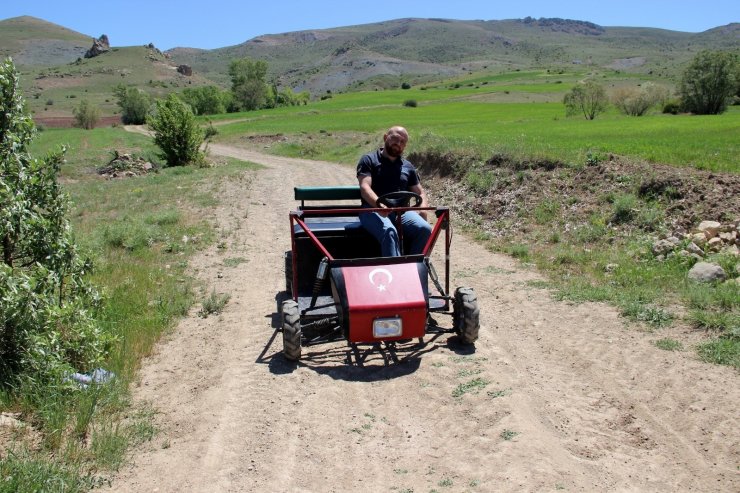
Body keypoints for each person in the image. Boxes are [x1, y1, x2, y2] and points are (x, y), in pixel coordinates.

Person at [357, 126, 432, 256]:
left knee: (424, 229)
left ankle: (413, 269)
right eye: (395, 139)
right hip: (372, 210)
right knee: (389, 231)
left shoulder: (408, 167)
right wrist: (379, 205)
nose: (398, 143)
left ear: (405, 146)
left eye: (402, 142)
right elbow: (365, 187)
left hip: (401, 212)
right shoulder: (369, 160)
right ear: (386, 137)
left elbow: (420, 193)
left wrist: (423, 210)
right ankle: (396, 271)